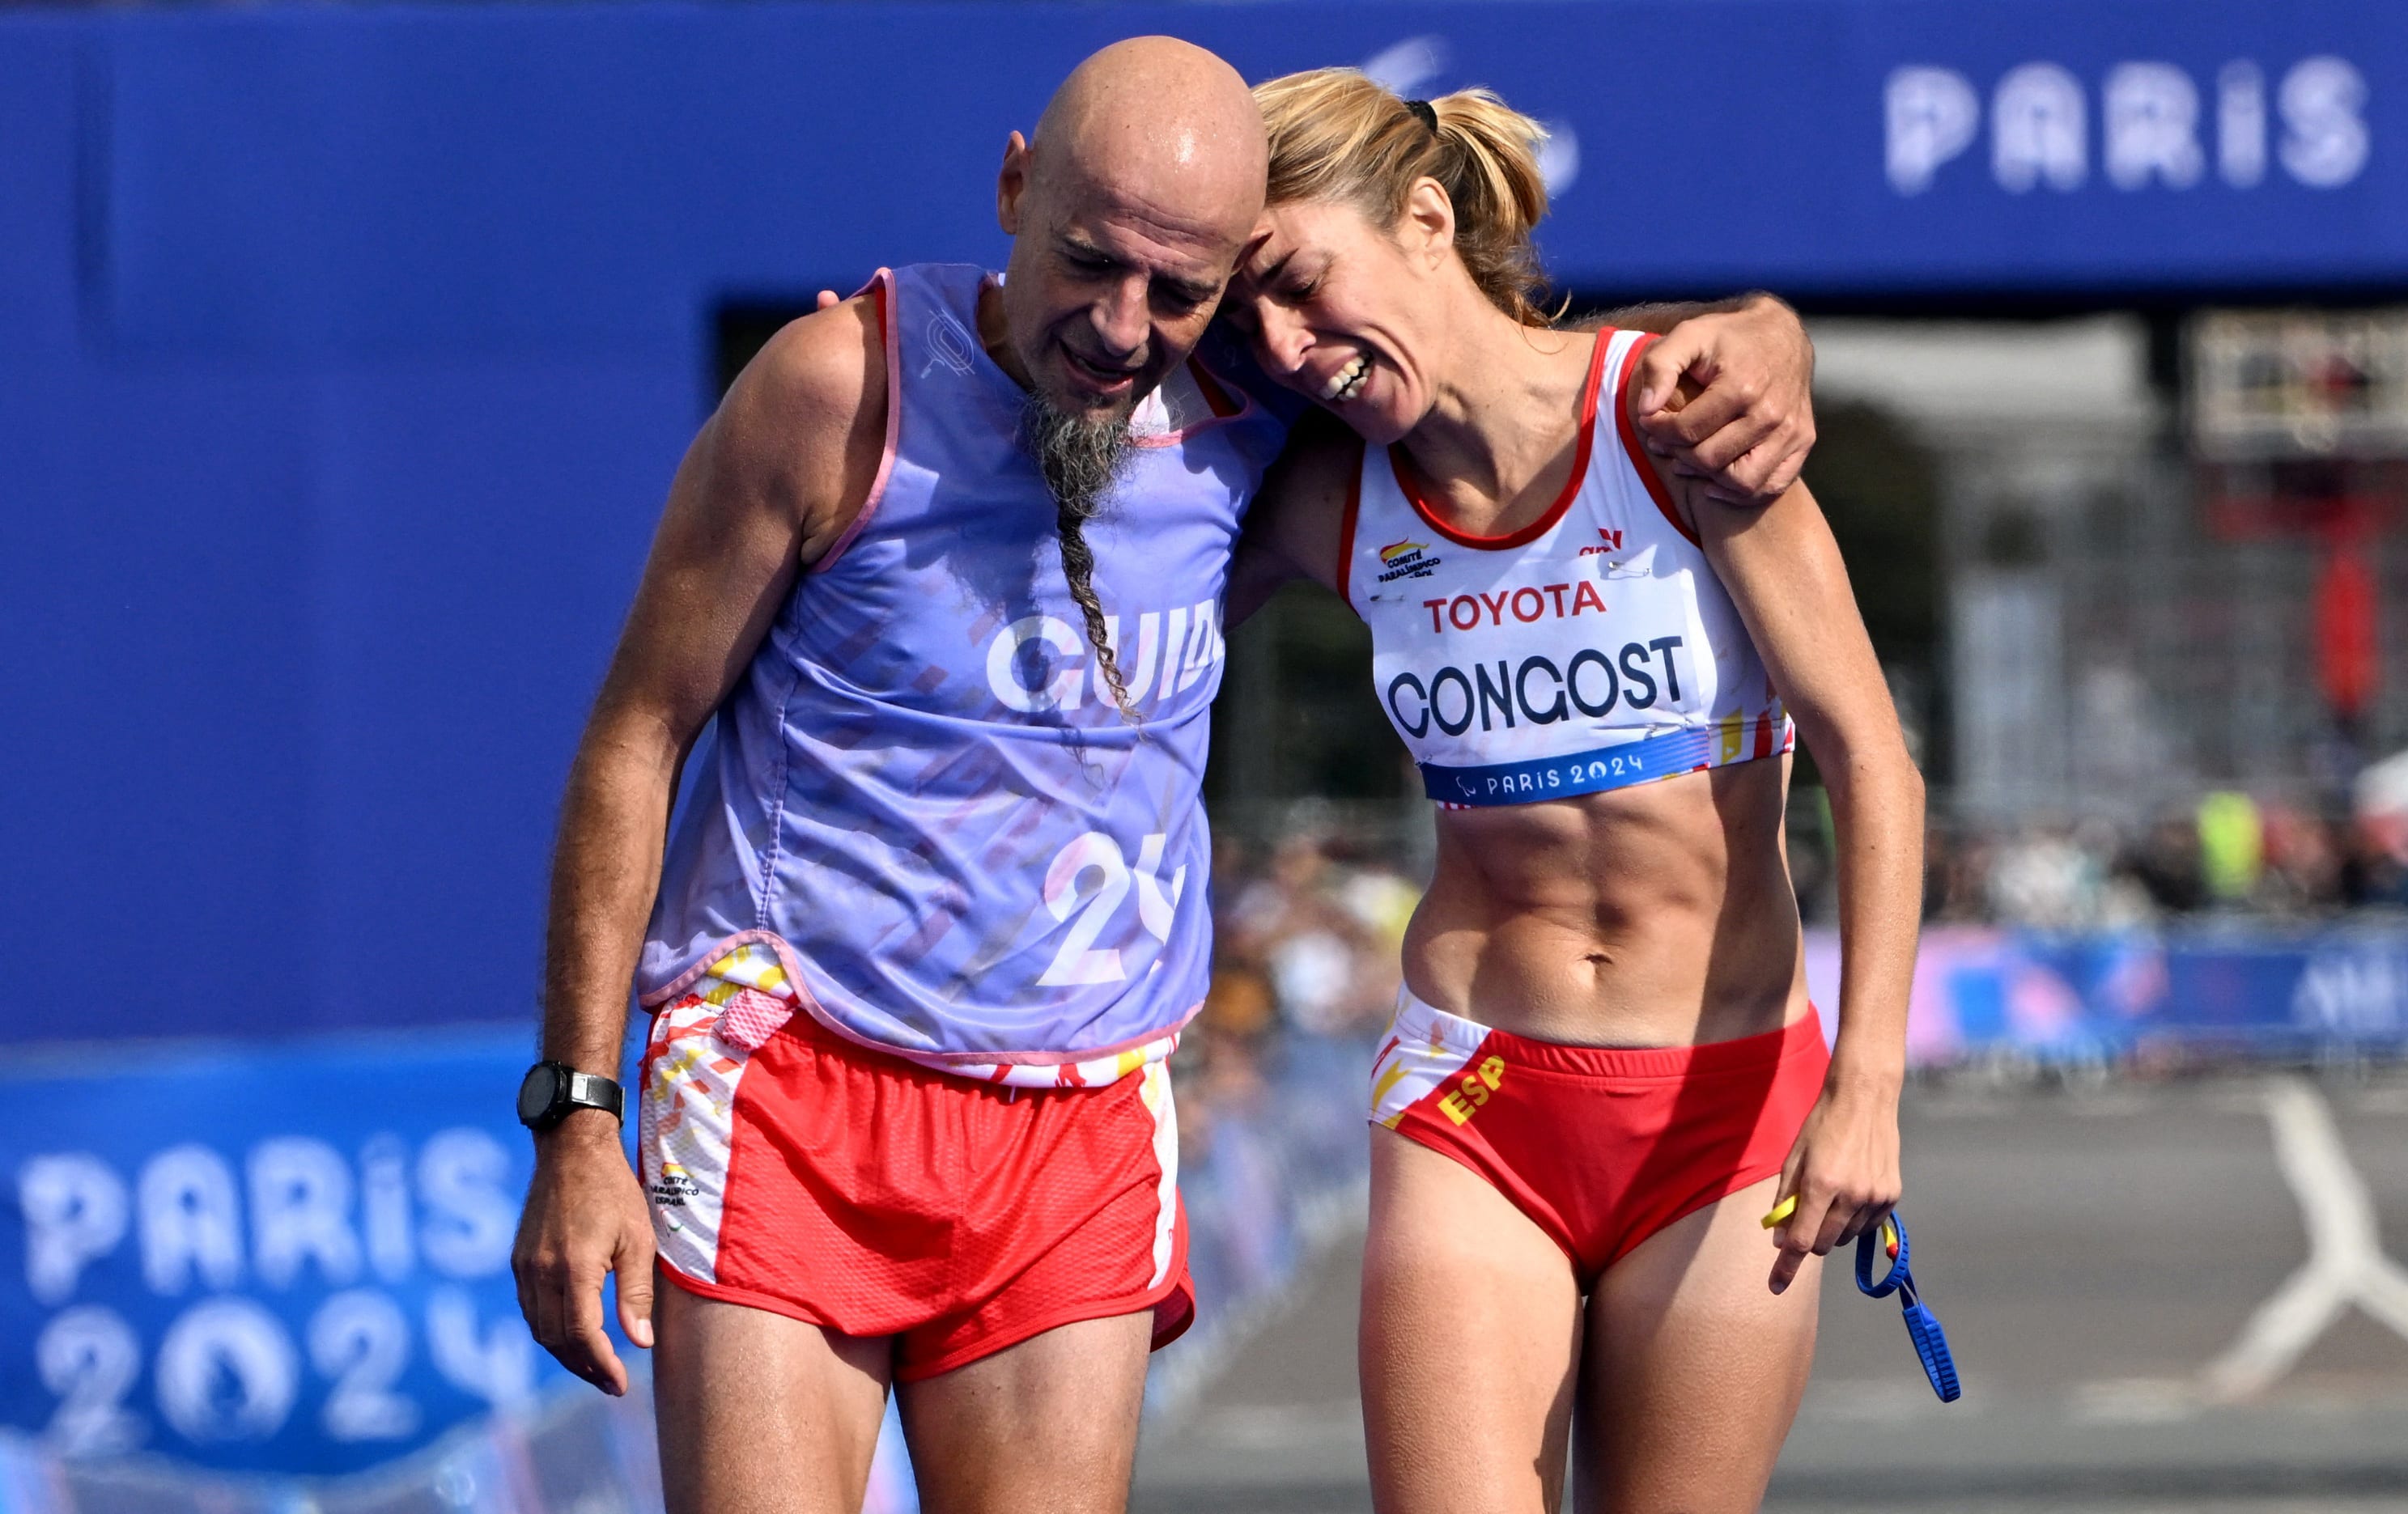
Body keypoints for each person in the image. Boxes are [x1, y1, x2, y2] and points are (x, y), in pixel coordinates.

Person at [510, 37, 1820, 1514]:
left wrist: (1759, 334)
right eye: (1089, 262)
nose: (1122, 326)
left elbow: (1509, 373)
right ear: (1015, 189)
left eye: (1181, 290)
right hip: (797, 1071)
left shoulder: (1255, 410)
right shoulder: (839, 390)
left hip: (1079, 1112)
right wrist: (577, 1113)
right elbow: (637, 733)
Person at [1225, 72, 1923, 1512]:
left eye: (1299, 283)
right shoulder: (1322, 496)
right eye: (1253, 322)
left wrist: (1868, 1092)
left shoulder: (1676, 425)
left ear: (1427, 219)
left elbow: (1874, 763)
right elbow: (1089, 602)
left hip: (1727, 1109)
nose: (1288, 349)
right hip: (1474, 1097)